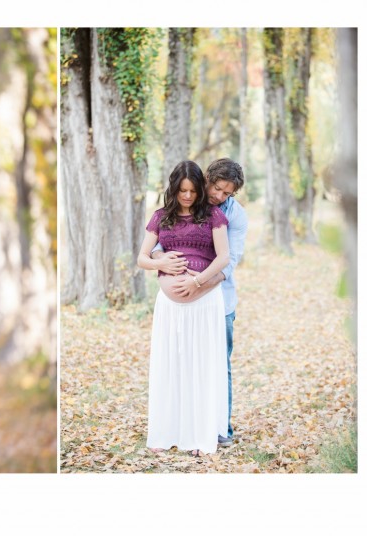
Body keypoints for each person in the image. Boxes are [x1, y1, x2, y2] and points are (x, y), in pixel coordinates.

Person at [150, 158, 247, 446]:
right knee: (182, 360)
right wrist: (162, 262)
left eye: (227, 193)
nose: (219, 196)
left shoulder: (234, 216)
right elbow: (160, 241)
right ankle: (182, 424)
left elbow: (230, 260)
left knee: (217, 363)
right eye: (217, 188)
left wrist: (199, 283)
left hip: (220, 299)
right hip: (177, 304)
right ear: (207, 179)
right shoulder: (187, 198)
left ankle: (220, 428)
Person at [137, 160, 230, 456]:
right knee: (171, 364)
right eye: (182, 190)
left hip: (204, 303)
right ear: (174, 188)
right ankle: (166, 432)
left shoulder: (213, 216)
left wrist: (199, 282)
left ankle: (200, 436)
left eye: (192, 190)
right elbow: (141, 257)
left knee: (201, 365)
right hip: (170, 308)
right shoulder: (160, 217)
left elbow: (224, 257)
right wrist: (160, 263)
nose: (188, 196)